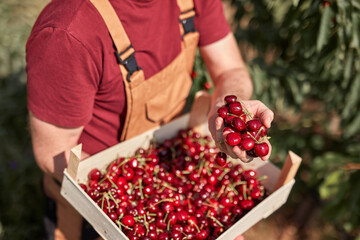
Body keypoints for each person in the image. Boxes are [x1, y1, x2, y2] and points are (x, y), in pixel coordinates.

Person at [26, 0, 273, 239]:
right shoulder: (68, 33)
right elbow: (53, 153)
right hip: (98, 203)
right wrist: (136, 204)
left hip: (165, 164)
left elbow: (230, 70)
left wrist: (228, 107)